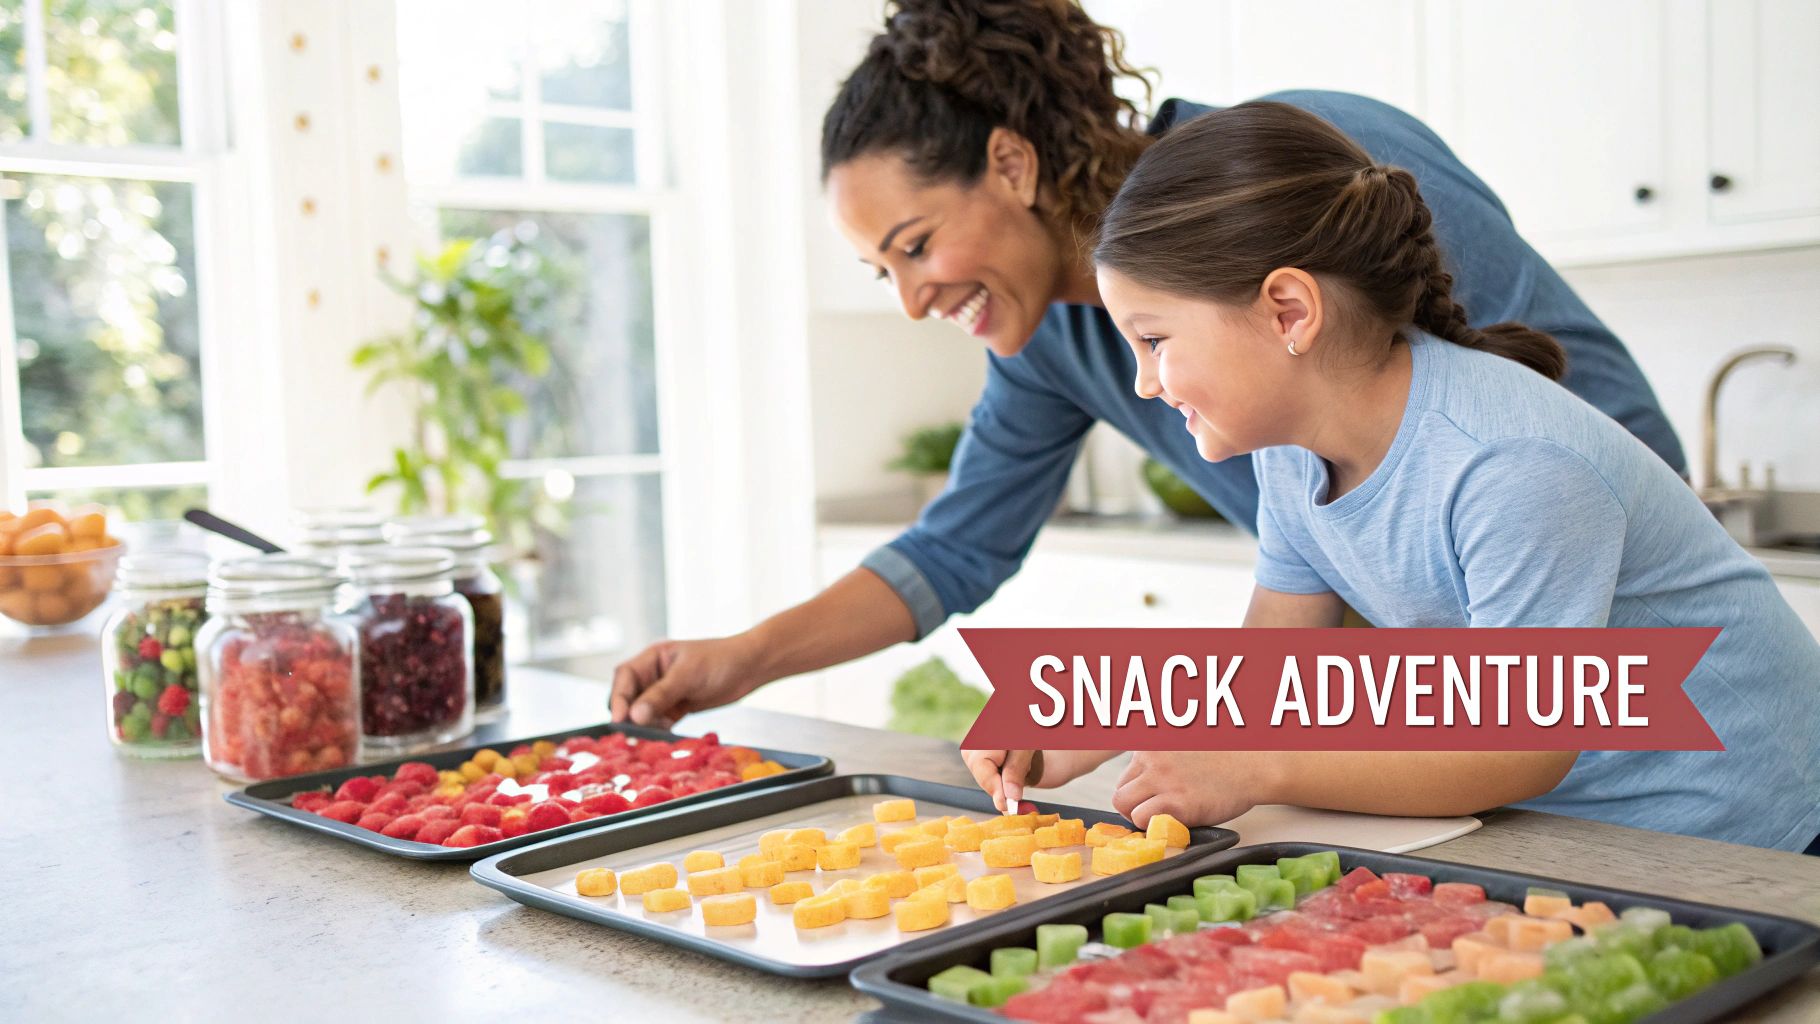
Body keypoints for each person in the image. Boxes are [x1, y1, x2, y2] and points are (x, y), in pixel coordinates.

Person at [610, 0, 1687, 802]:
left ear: (1011, 162)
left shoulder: (1296, 173)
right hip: (1429, 704)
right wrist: (740, 658)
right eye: (877, 272)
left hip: (1590, 643)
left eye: (915, 245)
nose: (908, 299)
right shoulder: (1046, 341)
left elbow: (1543, 426)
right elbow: (954, 550)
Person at [969, 100, 1818, 852]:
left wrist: (1259, 764)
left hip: (1751, 831)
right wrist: (1092, 718)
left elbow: (1522, 742)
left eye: (1154, 340)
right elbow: (1274, 665)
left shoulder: (1509, 463)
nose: (1144, 384)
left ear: (1289, 313)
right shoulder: (1289, 450)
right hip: (1595, 831)